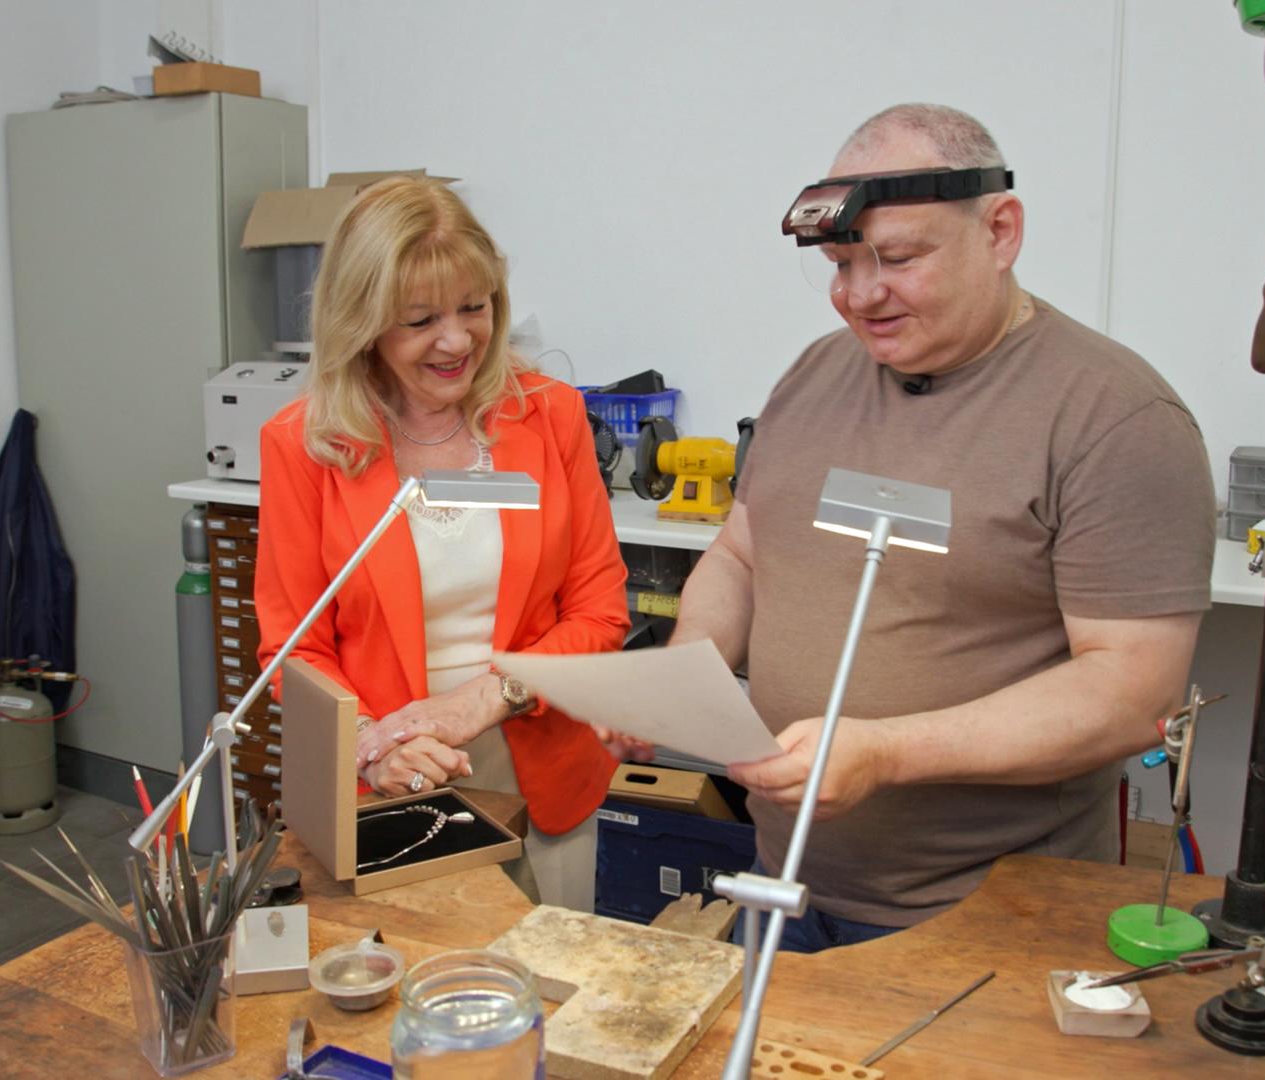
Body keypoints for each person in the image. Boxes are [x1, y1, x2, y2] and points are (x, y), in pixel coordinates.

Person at [663, 103, 1216, 950]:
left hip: (992, 918)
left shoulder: (1116, 417)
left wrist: (886, 752)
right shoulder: (816, 374)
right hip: (783, 885)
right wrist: (687, 677)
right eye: (842, 263)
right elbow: (741, 553)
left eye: (898, 258)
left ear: (1000, 232)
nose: (857, 295)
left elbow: (1132, 696)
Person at [255, 176, 628, 911]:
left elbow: (599, 611)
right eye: (420, 318)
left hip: (542, 759)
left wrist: (484, 700)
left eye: (475, 307)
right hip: (395, 776)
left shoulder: (548, 415)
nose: (457, 340)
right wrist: (374, 742)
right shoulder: (306, 445)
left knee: (546, 992)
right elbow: (293, 648)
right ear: (361, 320)